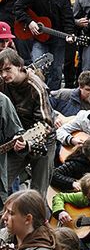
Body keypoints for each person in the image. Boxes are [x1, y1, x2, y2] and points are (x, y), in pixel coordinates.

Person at [0, 48, 56, 198]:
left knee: (36, 194)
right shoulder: (2, 83)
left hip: (42, 140)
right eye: (0, 71)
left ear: (19, 65)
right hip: (15, 139)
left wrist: (28, 143)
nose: (4, 75)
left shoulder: (36, 87)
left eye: (7, 69)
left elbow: (46, 124)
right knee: (2, 183)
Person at [14, 0, 75, 90]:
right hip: (39, 38)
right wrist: (29, 22)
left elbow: (68, 18)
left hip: (57, 39)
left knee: (57, 70)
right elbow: (18, 7)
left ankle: (53, 96)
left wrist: (69, 34)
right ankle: (38, 92)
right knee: (37, 67)